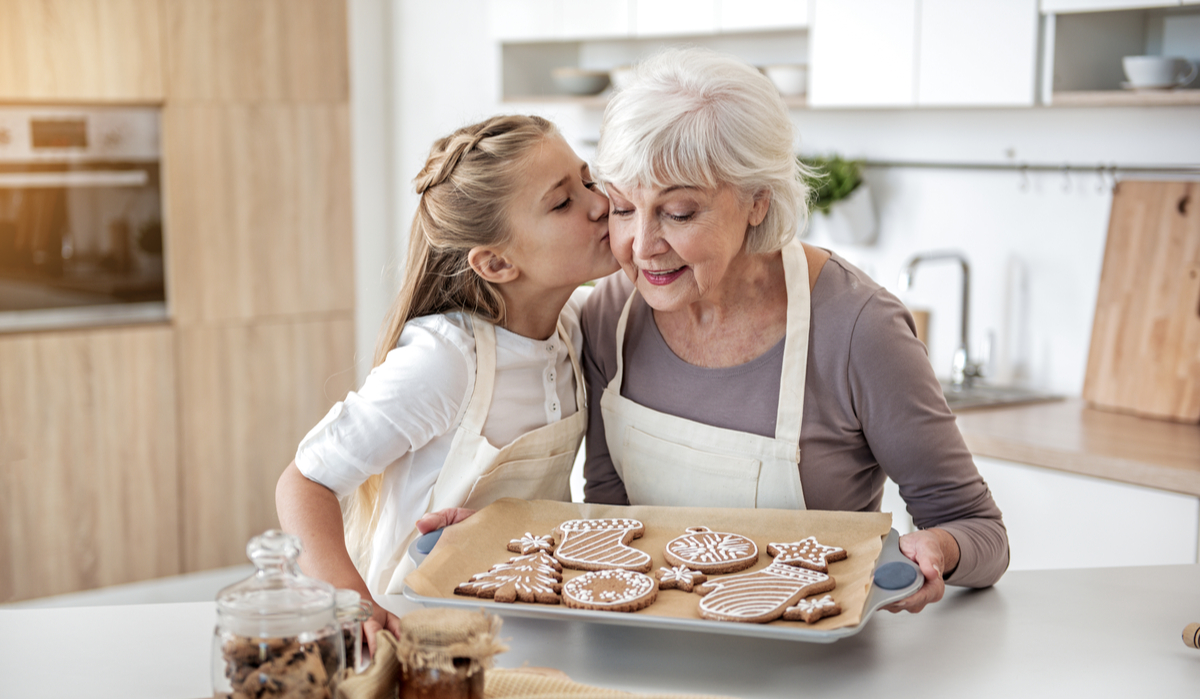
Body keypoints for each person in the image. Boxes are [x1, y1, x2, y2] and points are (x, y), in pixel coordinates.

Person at [580, 47, 1009, 613]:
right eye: (621, 209)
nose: (641, 246)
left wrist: (939, 548)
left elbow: (979, 530)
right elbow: (608, 520)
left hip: (814, 661)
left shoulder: (859, 331)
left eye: (679, 213)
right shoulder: (610, 316)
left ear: (757, 202)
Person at [276, 114, 618, 649]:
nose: (600, 203)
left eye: (588, 179)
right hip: (418, 637)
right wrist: (352, 604)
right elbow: (304, 484)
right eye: (562, 202)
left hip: (529, 626)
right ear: (497, 262)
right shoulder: (445, 360)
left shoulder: (577, 327)